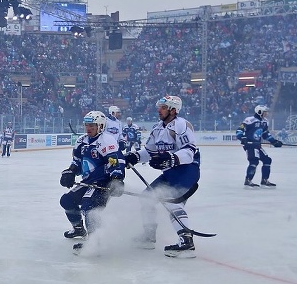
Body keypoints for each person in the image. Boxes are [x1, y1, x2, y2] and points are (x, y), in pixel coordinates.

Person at [124, 95, 201, 258]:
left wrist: (171, 158)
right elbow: (150, 151)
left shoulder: (182, 125)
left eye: (163, 107)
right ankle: (149, 236)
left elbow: (189, 152)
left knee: (173, 203)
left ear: (173, 110)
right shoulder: (158, 128)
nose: (159, 110)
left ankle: (186, 240)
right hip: (171, 172)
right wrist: (135, 157)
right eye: (159, 107)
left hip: (187, 171)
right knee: (146, 198)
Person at [58, 111, 126, 254]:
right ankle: (78, 229)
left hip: (103, 182)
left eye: (92, 125)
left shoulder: (107, 141)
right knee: (67, 201)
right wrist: (70, 172)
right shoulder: (81, 141)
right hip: (89, 181)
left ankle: (96, 241)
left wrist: (117, 179)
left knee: (89, 207)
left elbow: (115, 162)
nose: (88, 128)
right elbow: (76, 162)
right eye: (87, 125)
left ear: (100, 126)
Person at [235, 104, 283, 188]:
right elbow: (240, 130)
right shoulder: (249, 120)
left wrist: (274, 141)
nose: (266, 114)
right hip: (250, 145)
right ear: (259, 111)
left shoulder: (264, 122)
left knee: (267, 160)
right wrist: (242, 138)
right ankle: (248, 180)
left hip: (257, 145)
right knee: (254, 161)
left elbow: (265, 134)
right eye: (265, 112)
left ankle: (264, 180)